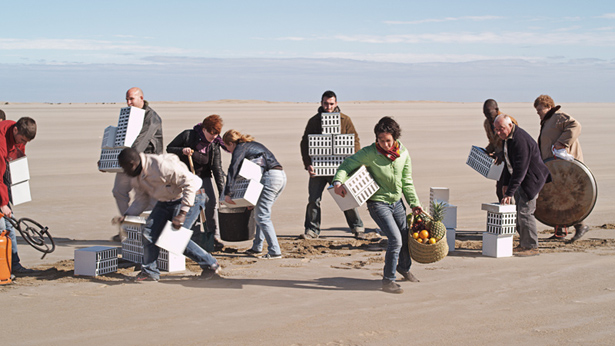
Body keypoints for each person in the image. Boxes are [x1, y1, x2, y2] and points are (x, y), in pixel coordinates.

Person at [333, 117, 423, 294]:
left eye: (388, 140)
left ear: (395, 138)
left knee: (405, 237)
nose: (385, 144)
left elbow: (407, 181)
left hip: (397, 203)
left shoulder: (403, 153)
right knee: (395, 239)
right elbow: (347, 165)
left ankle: (404, 268)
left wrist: (414, 203)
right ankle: (388, 281)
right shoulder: (369, 153)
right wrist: (338, 181)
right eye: (381, 140)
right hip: (378, 203)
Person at [117, 148, 220, 281]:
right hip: (166, 200)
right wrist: (127, 215)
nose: (125, 172)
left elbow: (190, 184)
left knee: (175, 237)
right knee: (148, 232)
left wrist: (183, 212)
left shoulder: (161, 166)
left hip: (191, 196)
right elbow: (142, 198)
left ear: (132, 164)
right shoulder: (136, 176)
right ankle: (150, 272)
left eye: (125, 168)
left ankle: (210, 264)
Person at [299, 90, 364, 239]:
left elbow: (354, 140)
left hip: (339, 168)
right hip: (318, 167)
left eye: (331, 104)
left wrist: (352, 163)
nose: (328, 107)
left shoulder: (345, 120)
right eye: (326, 104)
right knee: (313, 200)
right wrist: (308, 164)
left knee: (346, 197)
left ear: (336, 103)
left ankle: (357, 228)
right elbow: (305, 143)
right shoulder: (314, 121)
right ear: (321, 103)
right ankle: (312, 230)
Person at [222, 129, 286, 259]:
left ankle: (275, 251)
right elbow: (254, 175)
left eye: (227, 148)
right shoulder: (251, 145)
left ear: (230, 143)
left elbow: (233, 169)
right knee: (260, 213)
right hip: (280, 177)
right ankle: (257, 247)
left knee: (262, 216)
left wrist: (228, 193)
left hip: (270, 178)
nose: (229, 151)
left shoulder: (240, 148)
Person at [167, 115, 227, 250]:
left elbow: (217, 169)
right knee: (191, 205)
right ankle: (193, 237)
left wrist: (222, 192)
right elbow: (169, 148)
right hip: (186, 178)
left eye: (216, 133)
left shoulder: (214, 144)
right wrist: (182, 151)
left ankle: (213, 236)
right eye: (211, 133)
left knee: (210, 203)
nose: (214, 136)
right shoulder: (188, 135)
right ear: (204, 129)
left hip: (203, 178)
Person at [494, 114, 551, 257]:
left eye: (501, 129)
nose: (498, 132)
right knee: (519, 211)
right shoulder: (507, 139)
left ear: (510, 126)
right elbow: (508, 163)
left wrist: (509, 193)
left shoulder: (520, 140)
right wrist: (506, 184)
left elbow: (521, 169)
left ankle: (531, 246)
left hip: (531, 180)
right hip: (520, 180)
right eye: (496, 129)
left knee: (525, 212)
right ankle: (524, 243)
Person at [110, 87, 163, 241]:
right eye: (127, 99)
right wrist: (108, 159)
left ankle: (139, 233)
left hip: (145, 164)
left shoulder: (152, 117)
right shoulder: (129, 116)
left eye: (131, 99)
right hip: (128, 161)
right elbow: (121, 139)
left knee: (145, 199)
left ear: (141, 98)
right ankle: (128, 228)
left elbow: (141, 141)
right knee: (119, 191)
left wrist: (123, 159)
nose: (128, 103)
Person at [534, 94, 588, 242]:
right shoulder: (548, 121)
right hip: (556, 168)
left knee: (567, 198)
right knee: (557, 196)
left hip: (567, 168)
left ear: (548, 107)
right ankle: (560, 232)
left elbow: (576, 125)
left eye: (539, 109)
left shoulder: (558, 116)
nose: (538, 113)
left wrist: (562, 143)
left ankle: (580, 225)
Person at [0, 117, 39, 275]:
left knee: (10, 223)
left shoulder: (18, 135)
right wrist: (3, 203)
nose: (23, 143)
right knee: (1, 226)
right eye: (22, 140)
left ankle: (13, 265)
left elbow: (17, 160)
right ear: (15, 130)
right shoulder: (1, 143)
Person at [482, 99, 518, 201]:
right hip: (500, 163)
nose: (487, 116)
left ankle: (513, 214)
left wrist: (502, 153)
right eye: (485, 113)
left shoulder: (508, 122)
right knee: (500, 190)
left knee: (511, 190)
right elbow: (493, 143)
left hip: (511, 161)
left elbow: (514, 144)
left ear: (496, 110)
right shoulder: (487, 124)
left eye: (489, 113)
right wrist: (485, 151)